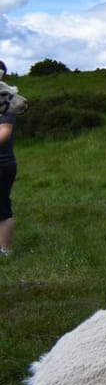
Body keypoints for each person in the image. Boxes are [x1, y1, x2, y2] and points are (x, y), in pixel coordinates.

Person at [0, 60, 18, 257]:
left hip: (2, 165)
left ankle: (5, 251)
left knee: (2, 209)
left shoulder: (7, 101)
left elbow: (4, 133)